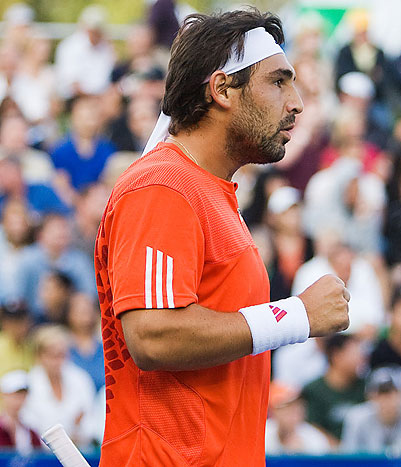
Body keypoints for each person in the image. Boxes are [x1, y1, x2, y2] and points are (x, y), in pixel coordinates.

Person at [94, 10, 350, 466]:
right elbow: (153, 336)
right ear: (222, 89)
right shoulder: (164, 186)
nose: (296, 103)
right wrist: (296, 316)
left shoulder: (205, 189)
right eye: (278, 81)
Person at [22, 325, 95, 447]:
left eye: (62, 355)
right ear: (39, 356)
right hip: (41, 455)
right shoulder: (29, 384)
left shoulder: (81, 379)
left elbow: (90, 421)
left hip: (79, 450)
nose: (57, 361)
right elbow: (30, 427)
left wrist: (78, 431)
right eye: (52, 355)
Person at [341, 366, 401, 454]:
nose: (387, 400)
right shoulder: (356, 418)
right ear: (370, 396)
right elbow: (349, 458)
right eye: (381, 394)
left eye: (393, 393)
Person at [301, 334, 366, 444]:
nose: (361, 359)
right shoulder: (313, 390)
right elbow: (310, 427)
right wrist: (337, 448)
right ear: (336, 356)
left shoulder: (365, 386)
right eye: (355, 353)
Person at [54, 4, 116, 99]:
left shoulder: (106, 48)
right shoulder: (69, 46)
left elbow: (105, 80)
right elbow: (73, 86)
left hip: (98, 98)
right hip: (75, 98)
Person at [265, 382, 331, 455]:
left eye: (297, 406)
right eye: (287, 407)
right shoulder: (263, 432)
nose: (293, 413)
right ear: (274, 411)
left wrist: (299, 453)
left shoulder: (314, 438)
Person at [0, 370, 41, 454]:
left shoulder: (30, 427)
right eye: (15, 395)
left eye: (23, 395)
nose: (19, 400)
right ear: (4, 395)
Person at [0, 302, 33, 377]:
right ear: (4, 323)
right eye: (13, 321)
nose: (18, 326)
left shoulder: (34, 346)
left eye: (22, 320)